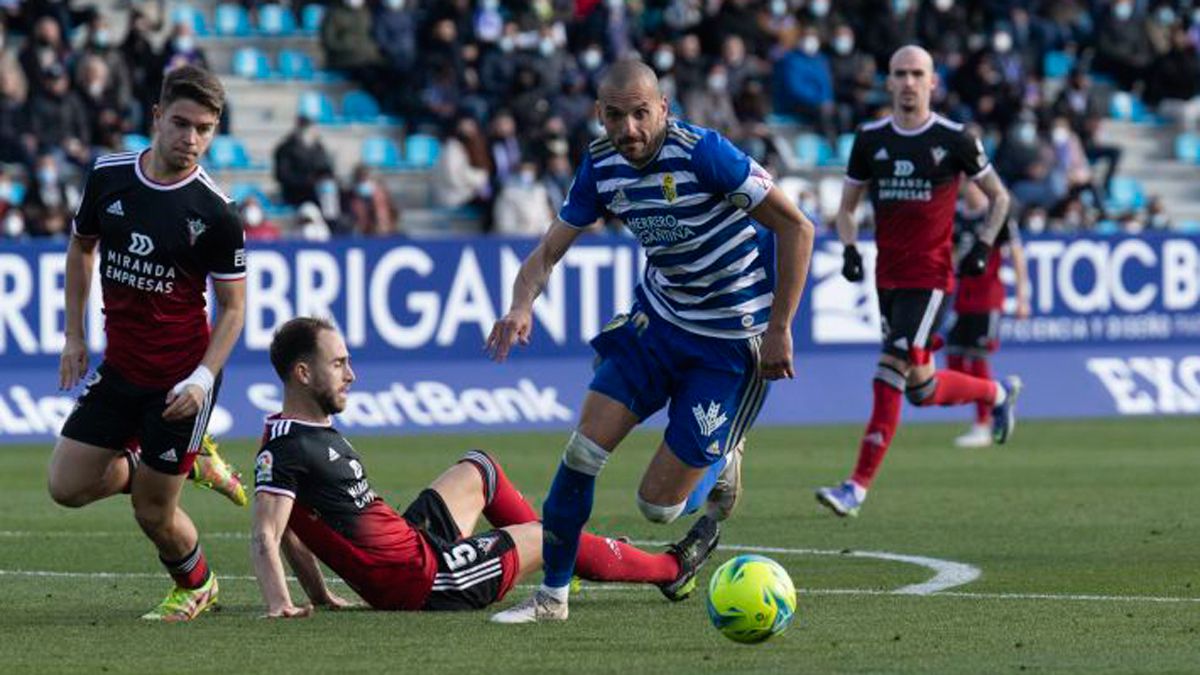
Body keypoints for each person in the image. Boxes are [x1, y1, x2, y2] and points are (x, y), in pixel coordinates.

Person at [486, 59, 815, 623]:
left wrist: (781, 326)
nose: (630, 129)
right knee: (582, 453)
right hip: (657, 324)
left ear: (663, 108)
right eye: (616, 116)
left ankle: (724, 454)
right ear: (600, 114)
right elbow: (546, 253)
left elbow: (797, 227)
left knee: (658, 508)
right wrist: (521, 304)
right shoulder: (600, 163)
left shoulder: (704, 153)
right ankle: (551, 600)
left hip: (728, 342)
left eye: (641, 114)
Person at [251, 317, 718, 617]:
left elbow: (294, 526)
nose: (351, 374)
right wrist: (280, 605)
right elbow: (268, 533)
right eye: (338, 364)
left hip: (413, 543)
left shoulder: (307, 431)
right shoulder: (287, 446)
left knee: (481, 467)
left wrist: (318, 595)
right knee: (545, 534)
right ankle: (668, 568)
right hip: (424, 580)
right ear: (303, 374)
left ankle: (560, 552)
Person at [48, 65, 248, 621]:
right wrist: (73, 336)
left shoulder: (216, 213)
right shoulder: (109, 177)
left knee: (153, 511)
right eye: (181, 124)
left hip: (182, 377)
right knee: (65, 485)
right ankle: (187, 465)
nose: (191, 140)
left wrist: (203, 378)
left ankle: (197, 584)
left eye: (205, 129)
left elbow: (234, 310)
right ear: (157, 118)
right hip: (123, 367)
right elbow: (81, 248)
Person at [815, 46, 1021, 518]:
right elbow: (847, 209)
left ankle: (856, 487)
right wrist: (848, 248)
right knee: (921, 389)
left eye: (917, 74)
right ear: (888, 82)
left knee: (889, 368)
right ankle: (995, 393)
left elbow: (999, 197)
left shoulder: (955, 138)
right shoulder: (869, 139)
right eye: (900, 74)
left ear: (933, 82)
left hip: (931, 277)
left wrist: (985, 245)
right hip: (887, 275)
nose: (908, 82)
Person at [947, 181, 1029, 448]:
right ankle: (998, 396)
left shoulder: (996, 215)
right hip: (962, 297)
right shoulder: (956, 214)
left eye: (973, 183)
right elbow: (952, 254)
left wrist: (1022, 297)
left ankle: (983, 424)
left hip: (988, 297)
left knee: (977, 358)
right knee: (954, 357)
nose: (968, 188)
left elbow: (1016, 253)